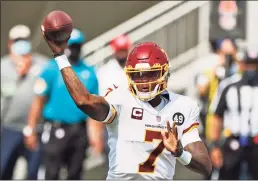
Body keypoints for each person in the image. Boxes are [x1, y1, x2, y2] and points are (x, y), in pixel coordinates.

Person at [42, 28, 212, 179]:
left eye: (150, 74)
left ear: (164, 73)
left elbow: (205, 166)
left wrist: (180, 152)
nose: (143, 81)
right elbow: (84, 100)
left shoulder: (182, 107)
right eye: (137, 75)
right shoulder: (120, 98)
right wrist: (60, 56)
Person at [25, 29, 99, 179]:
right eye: (71, 45)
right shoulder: (51, 68)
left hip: (79, 130)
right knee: (51, 172)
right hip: (55, 128)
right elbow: (38, 100)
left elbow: (93, 106)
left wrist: (95, 136)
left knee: (75, 173)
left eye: (77, 46)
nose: (74, 49)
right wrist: (30, 128)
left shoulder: (89, 72)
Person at [209, 48, 258, 179]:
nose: (251, 68)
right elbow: (217, 117)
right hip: (233, 142)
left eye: (254, 64)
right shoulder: (228, 86)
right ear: (241, 64)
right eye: (248, 64)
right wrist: (214, 146)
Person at [1, 24, 48, 179]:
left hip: (36, 129)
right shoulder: (3, 67)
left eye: (24, 40)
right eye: (17, 40)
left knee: (34, 172)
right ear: (10, 43)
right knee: (4, 169)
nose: (21, 44)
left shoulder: (43, 65)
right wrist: (18, 74)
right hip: (9, 129)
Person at [195, 38, 238, 142]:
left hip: (233, 121)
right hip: (212, 119)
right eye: (224, 54)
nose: (227, 58)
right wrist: (216, 70)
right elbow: (201, 90)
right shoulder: (211, 70)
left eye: (230, 55)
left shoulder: (238, 70)